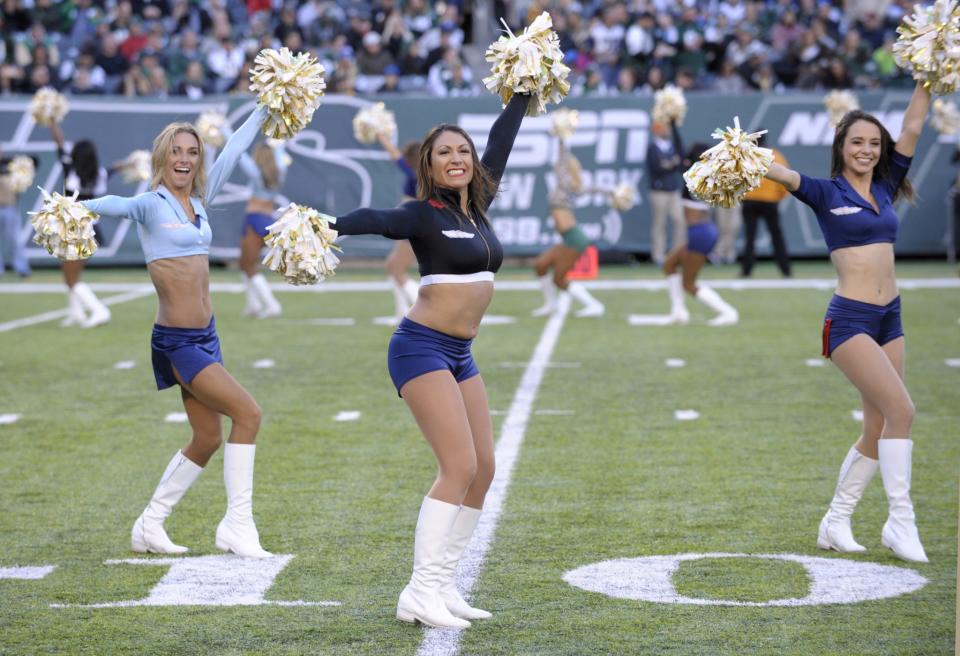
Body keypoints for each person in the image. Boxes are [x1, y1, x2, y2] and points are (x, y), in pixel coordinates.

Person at [330, 93, 531, 629]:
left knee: (484, 469)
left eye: (462, 151)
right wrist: (327, 225)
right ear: (431, 164)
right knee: (458, 467)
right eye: (445, 152)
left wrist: (525, 86)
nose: (457, 158)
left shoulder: (478, 207)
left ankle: (444, 584)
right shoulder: (424, 214)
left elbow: (501, 142)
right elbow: (379, 219)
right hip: (420, 348)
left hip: (460, 353)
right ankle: (419, 592)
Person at [80, 106, 273, 559]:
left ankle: (150, 525)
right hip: (177, 342)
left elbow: (237, 147)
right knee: (248, 415)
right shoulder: (151, 204)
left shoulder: (200, 204)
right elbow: (115, 205)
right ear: (162, 158)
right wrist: (72, 207)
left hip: (206, 336)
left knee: (207, 437)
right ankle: (237, 525)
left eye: (192, 152)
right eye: (176, 152)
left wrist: (265, 107)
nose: (184, 159)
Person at [762, 82, 931, 563]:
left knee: (879, 423)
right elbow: (778, 173)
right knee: (903, 413)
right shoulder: (823, 191)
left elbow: (914, 125)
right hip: (850, 320)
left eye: (874, 143)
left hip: (890, 317)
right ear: (841, 148)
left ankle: (835, 522)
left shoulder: (887, 185)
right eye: (857, 142)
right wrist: (737, 156)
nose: (867, 150)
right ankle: (901, 522)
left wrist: (928, 76)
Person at [664, 141, 739, 326]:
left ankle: (728, 312)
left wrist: (673, 125)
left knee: (688, 284)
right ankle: (678, 312)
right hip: (703, 231)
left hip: (700, 233)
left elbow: (681, 153)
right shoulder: (705, 176)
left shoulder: (695, 176)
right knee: (670, 265)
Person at [530, 139, 604, 317]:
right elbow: (597, 190)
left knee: (559, 279)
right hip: (569, 237)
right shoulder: (570, 186)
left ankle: (594, 305)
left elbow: (563, 162)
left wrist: (562, 138)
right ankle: (551, 305)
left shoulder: (566, 184)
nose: (556, 168)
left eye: (560, 167)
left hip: (574, 238)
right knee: (541, 265)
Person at [48, 124, 113, 327]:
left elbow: (59, 142)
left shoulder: (70, 171)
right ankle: (76, 313)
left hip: (74, 229)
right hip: (90, 229)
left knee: (70, 278)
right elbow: (112, 170)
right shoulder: (98, 174)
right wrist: (128, 164)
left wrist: (52, 121)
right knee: (70, 273)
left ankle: (99, 310)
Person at [238, 140, 289, 319]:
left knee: (247, 265)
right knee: (246, 264)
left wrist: (222, 130)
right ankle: (253, 304)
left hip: (253, 219)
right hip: (268, 219)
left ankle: (271, 304)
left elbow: (238, 153)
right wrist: (279, 144)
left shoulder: (256, 174)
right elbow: (281, 156)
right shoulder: (280, 172)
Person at [375, 131, 420, 323]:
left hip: (412, 223)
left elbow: (395, 155)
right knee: (391, 266)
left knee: (398, 270)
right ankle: (401, 312)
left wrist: (382, 137)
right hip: (410, 222)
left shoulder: (416, 174)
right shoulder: (421, 174)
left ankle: (422, 306)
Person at [740, 134, 791, 277]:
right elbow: (785, 180)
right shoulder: (776, 156)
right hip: (770, 202)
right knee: (776, 235)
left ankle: (746, 270)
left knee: (750, 236)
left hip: (750, 200)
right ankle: (785, 270)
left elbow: (737, 178)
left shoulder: (747, 156)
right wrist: (778, 197)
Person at [646, 119, 685, 264]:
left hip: (673, 190)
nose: (667, 131)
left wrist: (674, 125)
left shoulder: (672, 146)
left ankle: (676, 253)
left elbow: (680, 158)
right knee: (659, 223)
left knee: (680, 220)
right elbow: (656, 167)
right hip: (658, 191)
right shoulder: (653, 148)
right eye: (664, 128)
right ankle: (658, 255)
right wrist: (670, 164)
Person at [0, 152, 32, 278]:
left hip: (10, 208)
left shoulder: (11, 165)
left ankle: (22, 268)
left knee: (16, 240)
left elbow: (31, 163)